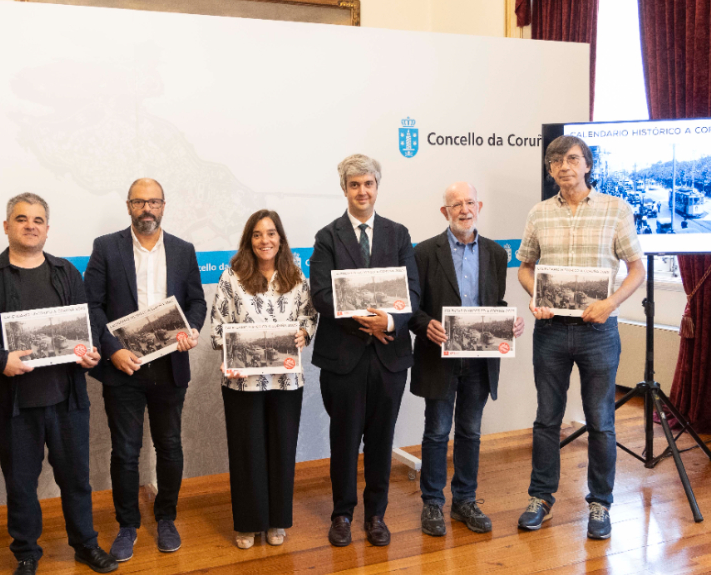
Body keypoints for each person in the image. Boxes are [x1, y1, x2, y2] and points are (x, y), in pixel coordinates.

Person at [0, 193, 117, 575]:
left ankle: (85, 545)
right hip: (12, 403)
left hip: (67, 400)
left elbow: (85, 327)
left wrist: (90, 354)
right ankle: (27, 554)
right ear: (7, 225)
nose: (31, 225)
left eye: (39, 220)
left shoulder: (66, 273)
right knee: (21, 484)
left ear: (48, 228)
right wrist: (0, 358)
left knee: (77, 478)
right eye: (22, 218)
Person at [516, 136, 646, 540]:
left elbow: (636, 270)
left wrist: (610, 303)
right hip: (551, 330)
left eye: (572, 159)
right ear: (550, 170)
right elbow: (525, 268)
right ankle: (541, 498)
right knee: (546, 419)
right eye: (556, 161)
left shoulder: (615, 209)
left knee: (601, 422)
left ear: (587, 165)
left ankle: (600, 503)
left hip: (598, 332)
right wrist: (535, 297)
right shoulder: (539, 213)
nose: (564, 167)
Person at [85, 178, 208, 562]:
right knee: (125, 450)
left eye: (153, 201)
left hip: (170, 366)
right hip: (124, 368)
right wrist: (112, 352)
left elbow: (197, 302)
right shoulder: (107, 247)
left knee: (169, 446)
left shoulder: (184, 250)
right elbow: (93, 307)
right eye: (139, 202)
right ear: (128, 206)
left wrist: (191, 331)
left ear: (164, 205)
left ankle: (166, 517)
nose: (147, 209)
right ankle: (127, 525)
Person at [308, 154, 420, 547]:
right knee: (343, 438)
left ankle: (376, 515)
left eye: (368, 184)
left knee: (380, 438)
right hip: (344, 356)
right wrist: (364, 320)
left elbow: (414, 292)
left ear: (377, 186)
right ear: (344, 189)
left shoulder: (399, 234)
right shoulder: (327, 237)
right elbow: (321, 294)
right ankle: (342, 513)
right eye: (354, 185)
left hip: (389, 354)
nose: (362, 191)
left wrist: (387, 322)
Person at [408, 182, 525, 537]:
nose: (464, 209)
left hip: (480, 360)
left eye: (470, 202)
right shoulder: (424, 252)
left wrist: (510, 322)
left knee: (471, 432)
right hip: (439, 358)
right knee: (437, 432)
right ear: (445, 212)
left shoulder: (495, 253)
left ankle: (464, 501)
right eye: (456, 204)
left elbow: (496, 303)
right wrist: (426, 324)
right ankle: (432, 503)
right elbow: (411, 308)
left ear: (480, 206)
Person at [209, 210, 318, 549]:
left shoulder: (296, 275)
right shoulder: (232, 276)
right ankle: (248, 523)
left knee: (281, 450)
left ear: (281, 239)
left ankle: (275, 521)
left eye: (271, 233)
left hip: (286, 381)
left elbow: (309, 316)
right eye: (257, 234)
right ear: (249, 240)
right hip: (243, 384)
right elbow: (215, 329)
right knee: (247, 452)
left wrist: (303, 333)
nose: (265, 240)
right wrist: (233, 347)